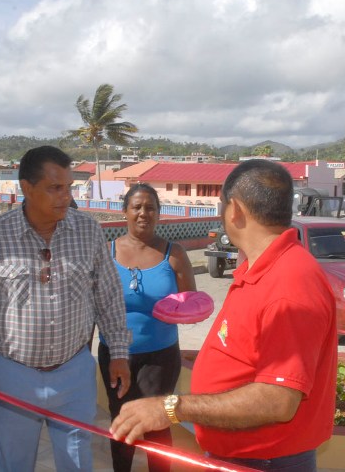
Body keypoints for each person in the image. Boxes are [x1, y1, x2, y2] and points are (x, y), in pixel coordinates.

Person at [111, 159, 337, 472]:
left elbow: (278, 400)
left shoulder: (289, 285)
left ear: (235, 210)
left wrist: (173, 406)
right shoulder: (261, 270)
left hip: (265, 460)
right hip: (243, 454)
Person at [0, 145, 132, 471]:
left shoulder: (88, 231)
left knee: (78, 463)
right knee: (14, 463)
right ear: (26, 188)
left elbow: (108, 297)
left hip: (74, 373)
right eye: (55, 188)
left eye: (69, 188)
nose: (65, 196)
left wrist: (118, 352)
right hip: (11, 376)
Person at [98, 183, 196, 472]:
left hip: (161, 355)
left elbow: (191, 302)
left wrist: (176, 311)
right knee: (122, 418)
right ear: (125, 212)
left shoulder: (174, 254)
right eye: (137, 207)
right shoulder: (106, 252)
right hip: (115, 354)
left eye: (150, 207)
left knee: (157, 423)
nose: (143, 213)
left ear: (159, 213)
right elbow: (95, 305)